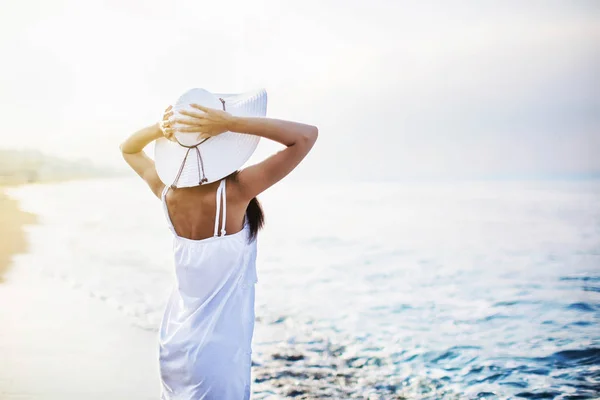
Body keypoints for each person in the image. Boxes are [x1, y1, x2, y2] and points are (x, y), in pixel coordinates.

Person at [119, 93, 318, 399]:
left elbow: (128, 149)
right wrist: (231, 123)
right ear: (222, 146)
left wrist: (162, 129)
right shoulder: (236, 191)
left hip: (175, 342)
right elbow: (305, 136)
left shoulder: (167, 192)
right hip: (217, 354)